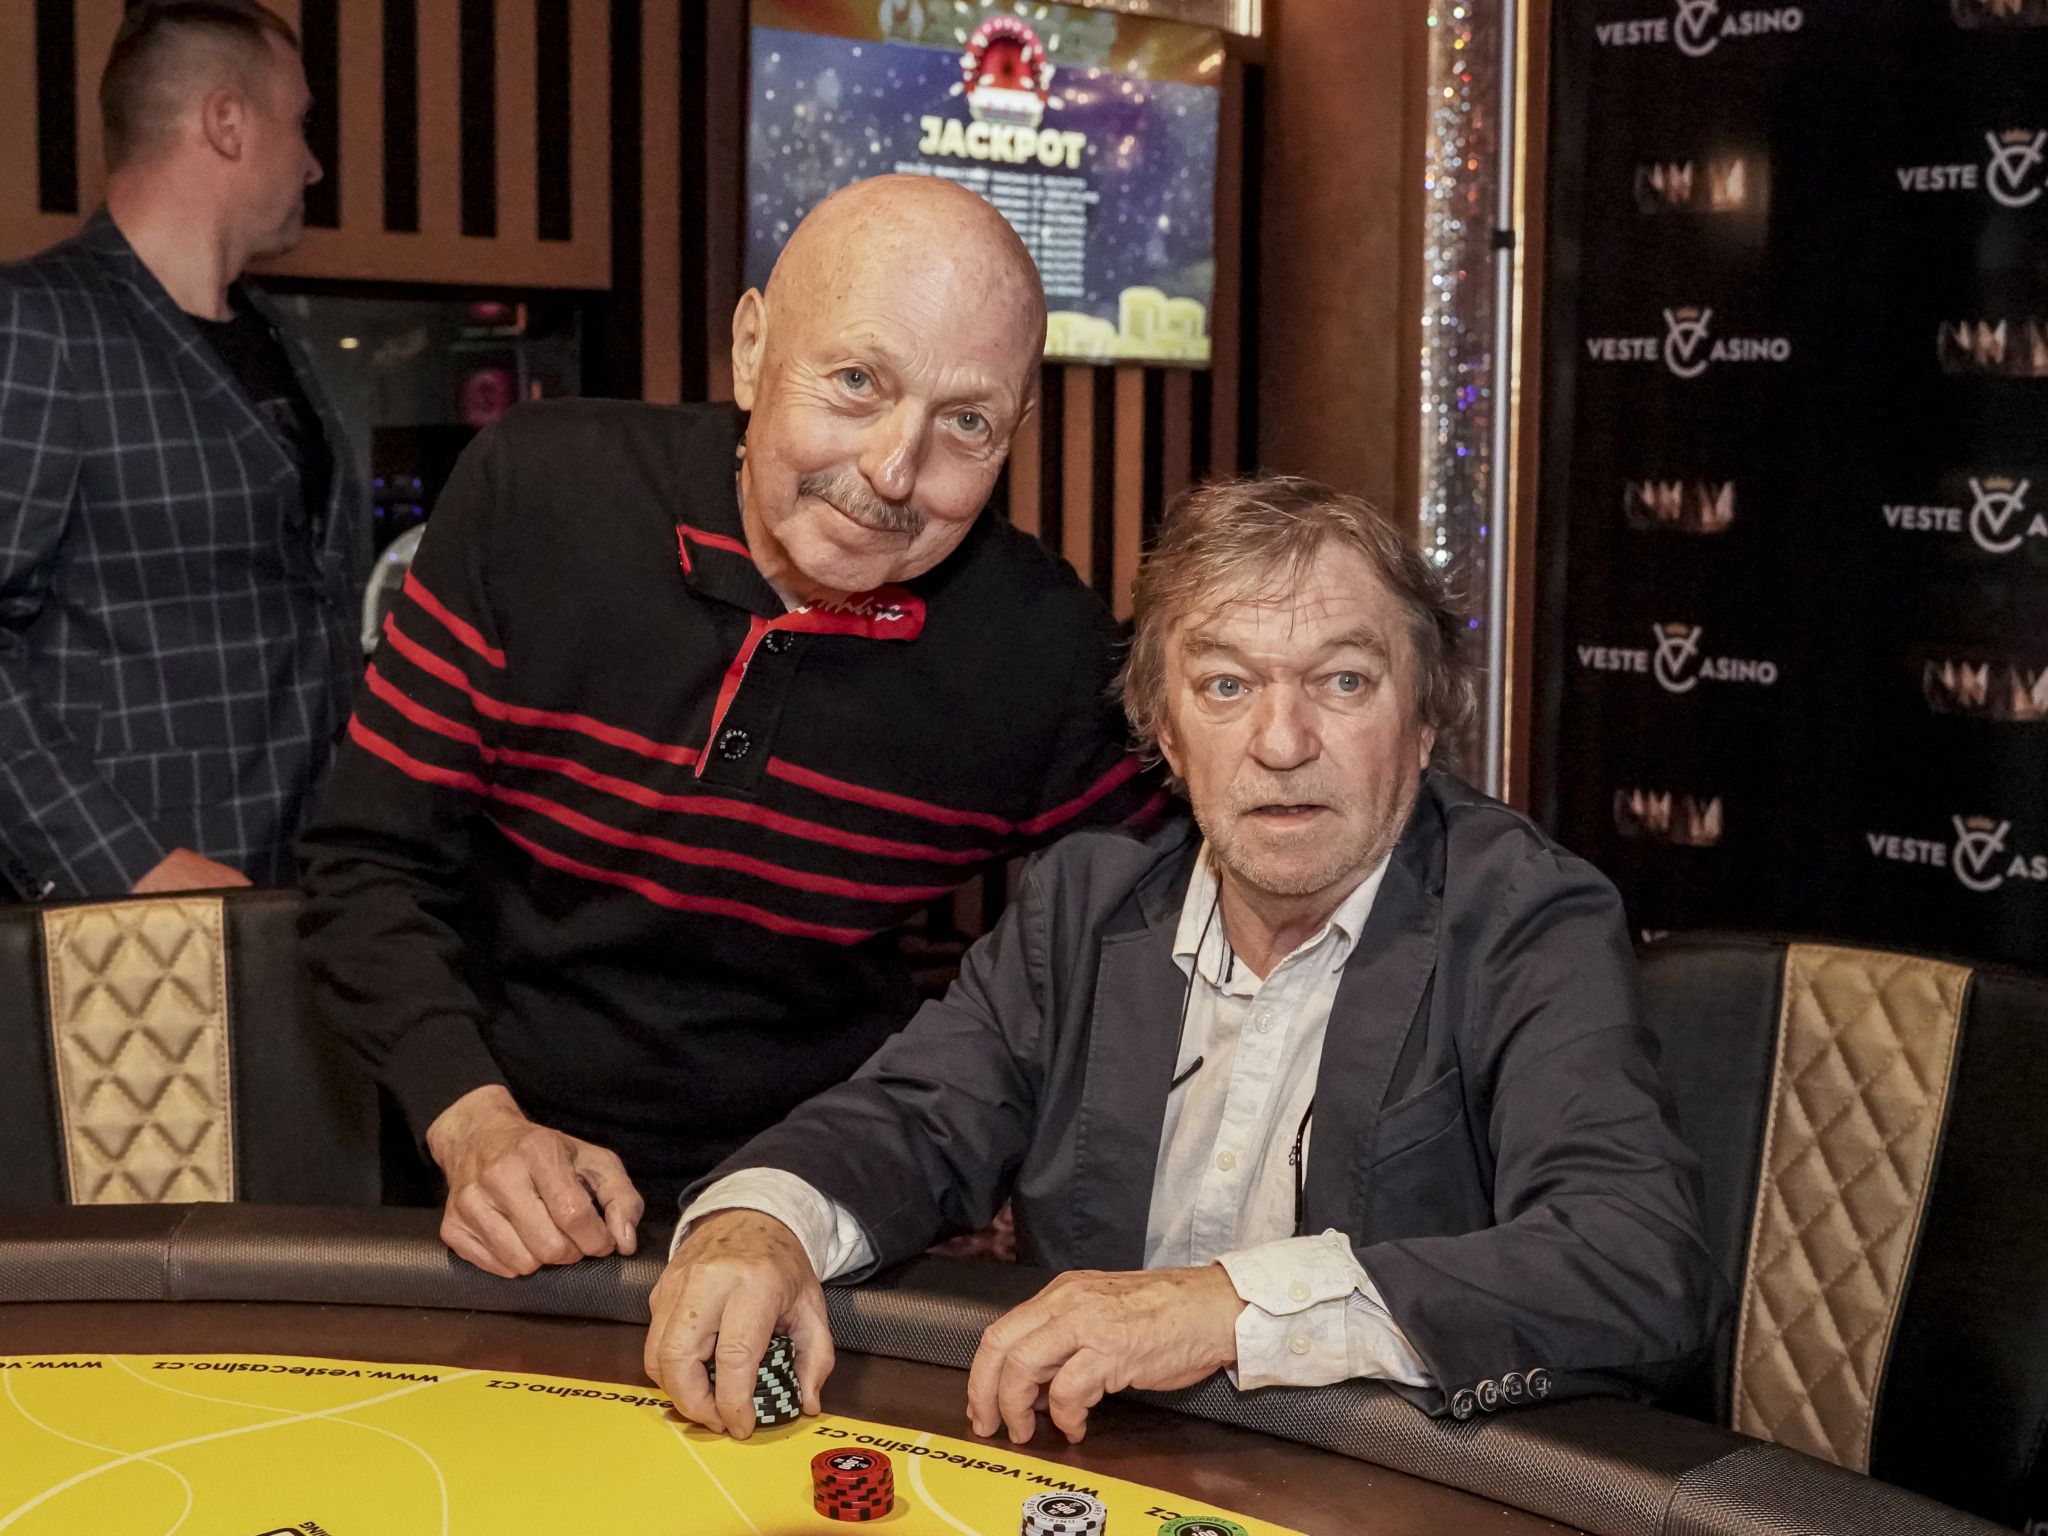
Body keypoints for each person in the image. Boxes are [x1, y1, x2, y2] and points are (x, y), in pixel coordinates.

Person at [647, 476, 1727, 1444]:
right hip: (1112, 1463)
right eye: (1225, 687)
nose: (1282, 742)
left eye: (1344, 681)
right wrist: (764, 1222)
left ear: (1424, 721)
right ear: (1165, 732)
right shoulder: (1081, 906)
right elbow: (910, 1117)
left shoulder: (1524, 916)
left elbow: (1634, 1262)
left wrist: (1221, 1306)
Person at [297, 175, 1160, 1278]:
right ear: (752, 350)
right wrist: (474, 1126)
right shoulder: (539, 492)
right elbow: (367, 865)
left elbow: (1183, 911)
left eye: (966, 423)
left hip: (827, 1213)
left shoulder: (1040, 647)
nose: (894, 471)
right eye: (856, 381)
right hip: (487, 1159)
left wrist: (1010, 1151)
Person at [0, 0, 366, 901]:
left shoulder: (274, 335)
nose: (313, 163)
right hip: (126, 925)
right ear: (226, 121)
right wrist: (129, 866)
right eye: (300, 121)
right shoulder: (39, 323)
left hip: (297, 896)